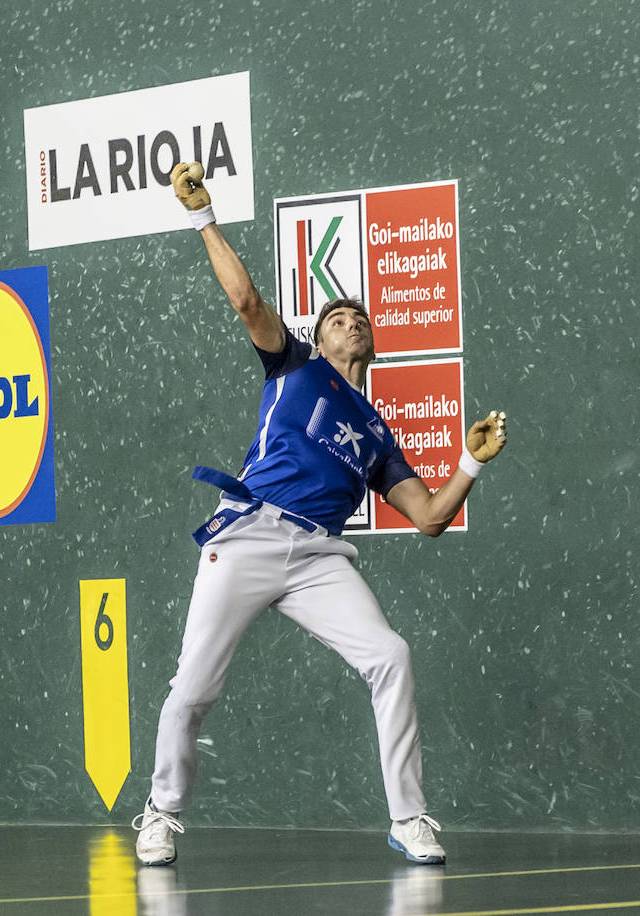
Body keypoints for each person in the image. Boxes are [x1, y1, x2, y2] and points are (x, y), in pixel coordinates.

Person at [133, 161, 508, 869]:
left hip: (315, 559)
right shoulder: (293, 365)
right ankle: (161, 813)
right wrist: (202, 216)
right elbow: (246, 301)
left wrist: (470, 463)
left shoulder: (377, 435)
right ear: (319, 335)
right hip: (248, 532)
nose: (352, 322)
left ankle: (409, 818)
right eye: (338, 317)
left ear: (372, 343)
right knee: (194, 687)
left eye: (360, 318)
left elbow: (427, 516)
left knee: (390, 655)